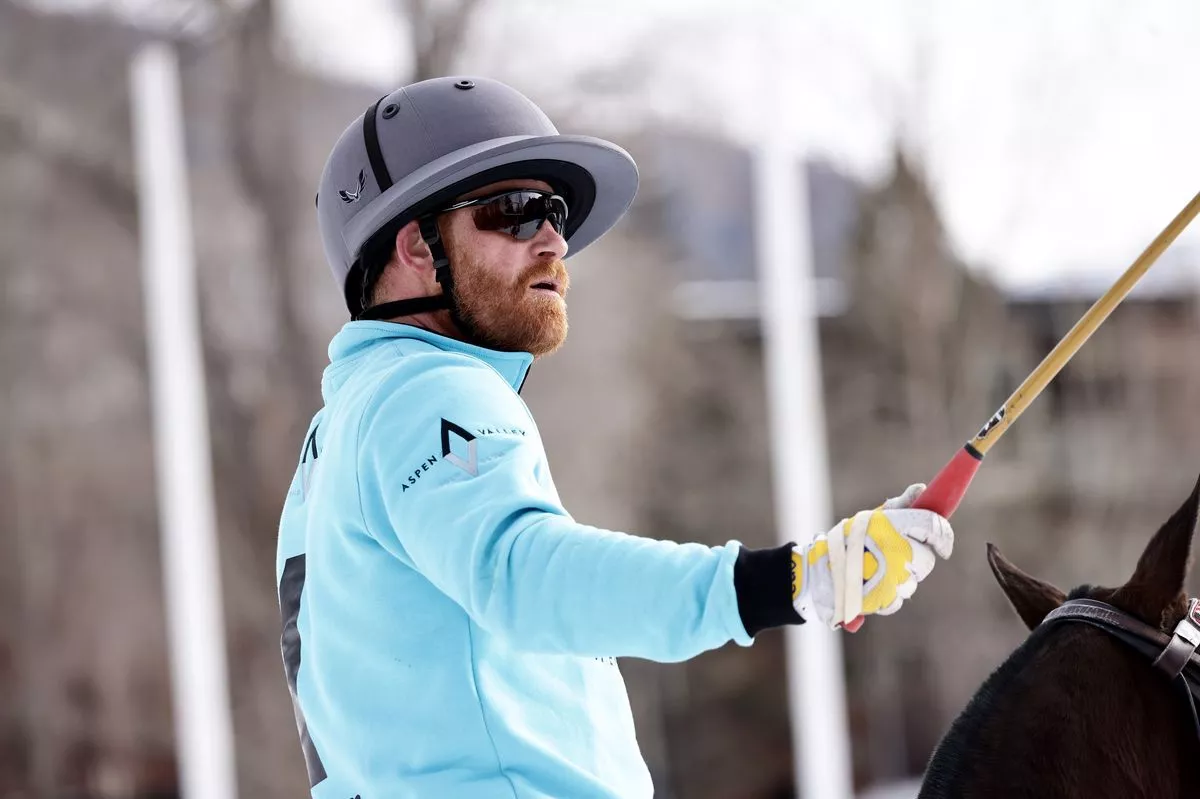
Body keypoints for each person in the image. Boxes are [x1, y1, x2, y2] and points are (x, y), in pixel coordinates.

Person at [277, 76, 954, 799]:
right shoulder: (427, 393)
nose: (554, 240)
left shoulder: (340, 433)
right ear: (415, 245)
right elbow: (523, 573)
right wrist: (792, 580)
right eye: (514, 212)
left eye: (557, 213)